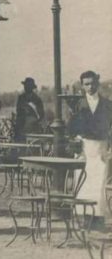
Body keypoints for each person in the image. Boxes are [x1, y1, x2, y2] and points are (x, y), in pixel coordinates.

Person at [67, 70, 111, 227]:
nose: (90, 87)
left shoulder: (107, 104)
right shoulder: (77, 104)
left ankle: (98, 219)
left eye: (92, 83)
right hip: (84, 148)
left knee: (99, 182)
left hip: (100, 147)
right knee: (83, 182)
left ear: (97, 83)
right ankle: (83, 218)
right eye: (86, 84)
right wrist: (74, 140)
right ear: (82, 85)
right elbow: (70, 127)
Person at [14, 77, 44, 141]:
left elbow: (41, 114)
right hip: (21, 125)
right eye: (25, 85)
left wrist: (34, 121)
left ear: (31, 87)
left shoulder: (37, 99)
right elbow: (18, 110)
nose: (25, 87)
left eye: (27, 85)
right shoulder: (21, 97)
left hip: (33, 126)